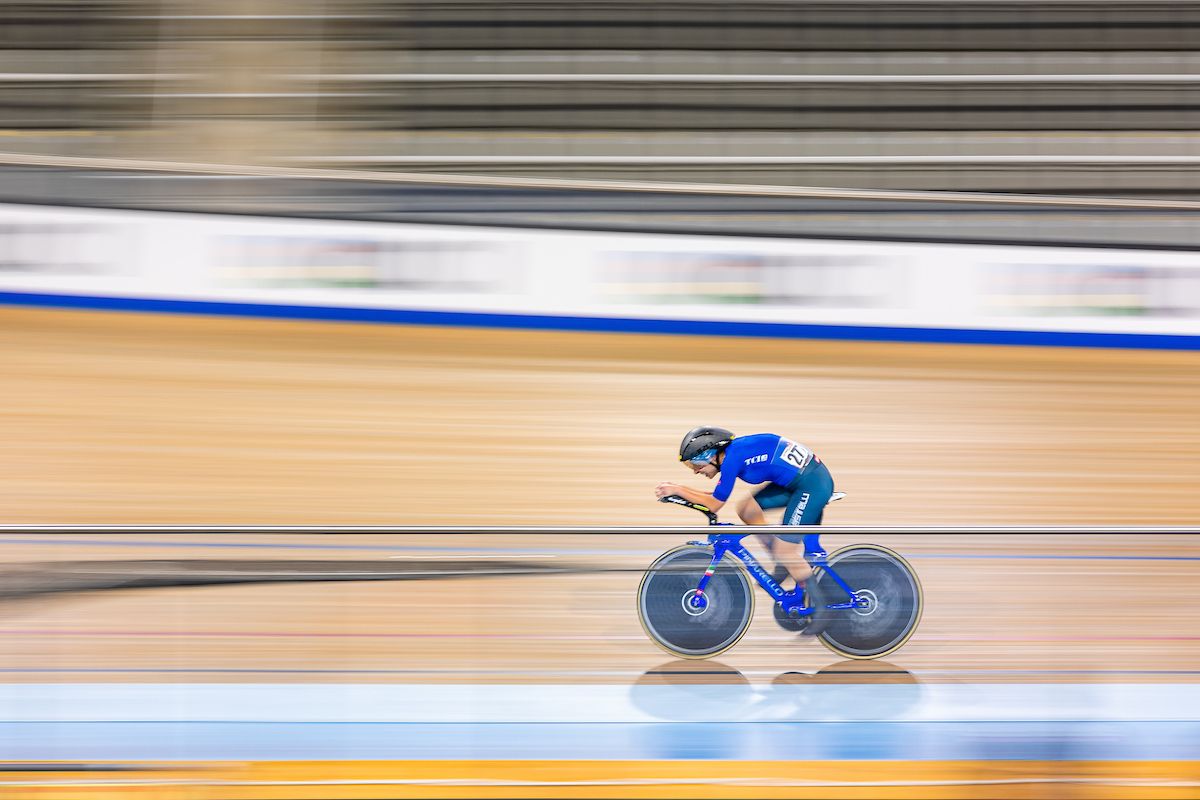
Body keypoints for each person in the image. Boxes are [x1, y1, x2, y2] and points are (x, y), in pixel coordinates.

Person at [653, 426, 836, 635]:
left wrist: (678, 490)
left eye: (696, 465)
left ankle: (822, 611)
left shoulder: (732, 459)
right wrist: (681, 491)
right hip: (798, 480)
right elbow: (715, 497)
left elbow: (714, 504)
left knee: (786, 551)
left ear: (711, 454)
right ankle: (782, 565)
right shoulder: (733, 454)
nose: (696, 471)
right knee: (747, 510)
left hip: (811, 485)